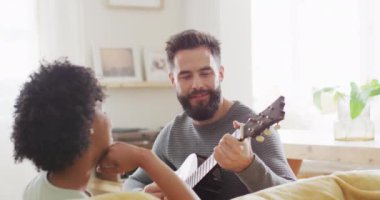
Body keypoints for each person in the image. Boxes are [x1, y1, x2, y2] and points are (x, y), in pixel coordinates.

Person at [122, 29, 297, 200]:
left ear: (220, 74)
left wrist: (249, 166)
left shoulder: (252, 129)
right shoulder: (172, 134)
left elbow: (295, 195)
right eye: (185, 76)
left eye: (205, 73)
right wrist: (144, 195)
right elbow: (134, 181)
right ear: (172, 80)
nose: (197, 84)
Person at [11, 59, 198, 200]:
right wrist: (145, 158)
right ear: (87, 126)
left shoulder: (36, 186)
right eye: (102, 110)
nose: (109, 119)